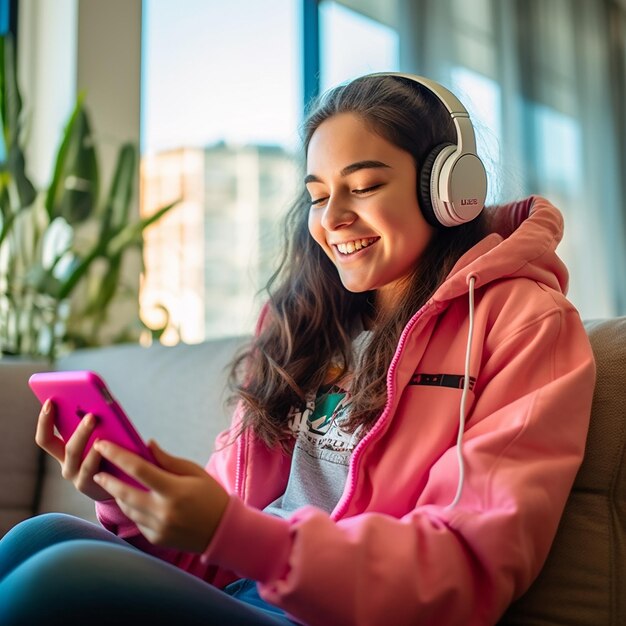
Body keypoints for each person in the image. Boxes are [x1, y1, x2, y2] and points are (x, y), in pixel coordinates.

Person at [0, 73, 596, 626]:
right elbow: (217, 549)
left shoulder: (523, 323)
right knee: (40, 537)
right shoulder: (299, 327)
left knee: (53, 578)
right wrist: (131, 501)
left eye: (363, 186)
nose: (333, 217)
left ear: (449, 190)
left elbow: (466, 568)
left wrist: (237, 534)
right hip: (251, 596)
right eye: (318, 194)